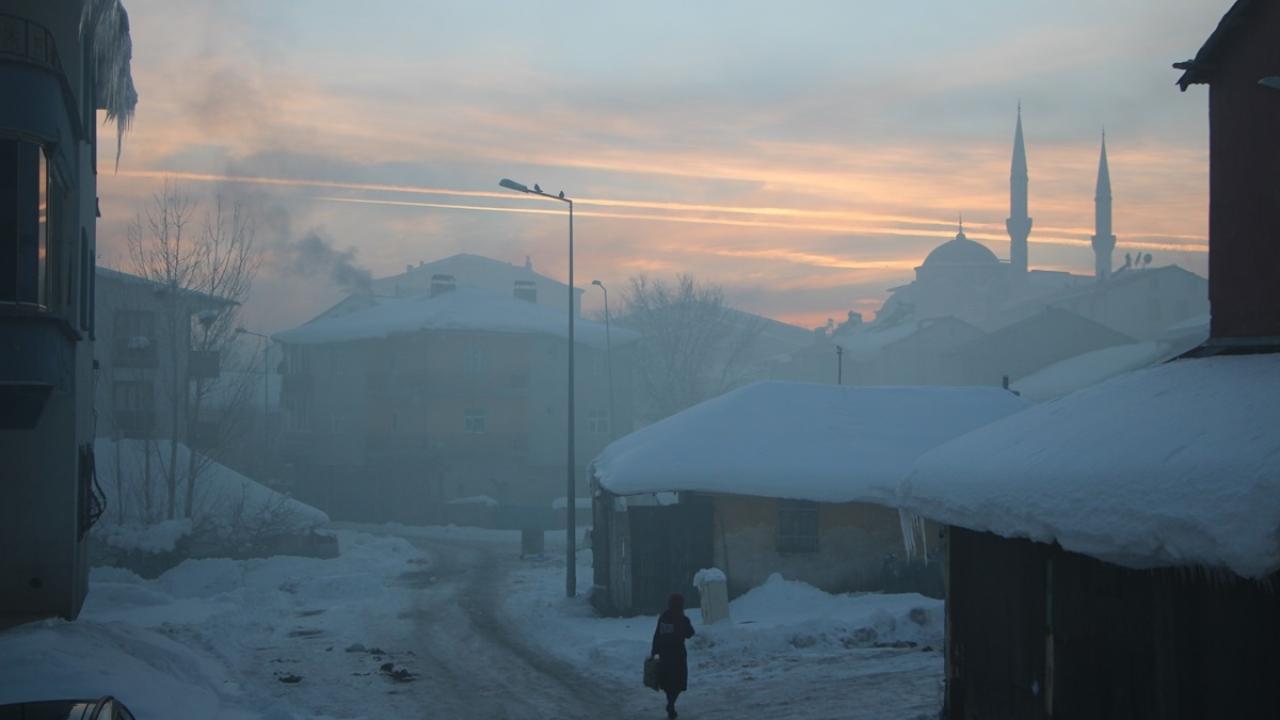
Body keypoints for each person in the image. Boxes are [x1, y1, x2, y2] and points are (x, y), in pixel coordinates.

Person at [651, 592, 695, 719]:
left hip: (665, 654)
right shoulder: (682, 618)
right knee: (678, 682)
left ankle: (670, 703)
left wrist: (654, 651)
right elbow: (690, 633)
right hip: (678, 654)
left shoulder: (664, 616)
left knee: (667, 681)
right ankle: (671, 703)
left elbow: (658, 634)